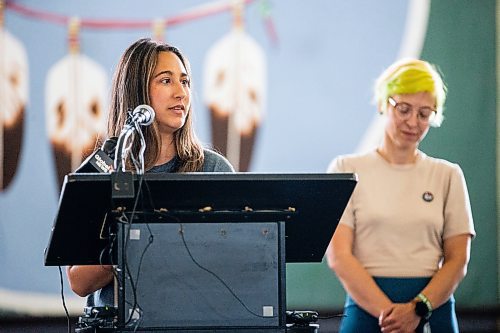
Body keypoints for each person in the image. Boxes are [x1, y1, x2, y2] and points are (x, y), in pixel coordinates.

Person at [66, 38, 234, 308]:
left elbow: (234, 262)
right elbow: (79, 282)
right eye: (166, 81)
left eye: (185, 81)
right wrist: (135, 240)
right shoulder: (103, 172)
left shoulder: (213, 170)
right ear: (136, 91)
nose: (181, 92)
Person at [325, 58, 475, 333]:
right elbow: (339, 256)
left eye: (424, 113)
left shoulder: (448, 175)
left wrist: (419, 309)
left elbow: (458, 259)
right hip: (367, 313)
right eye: (404, 109)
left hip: (433, 311)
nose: (412, 122)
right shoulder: (347, 169)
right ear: (384, 104)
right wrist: (393, 317)